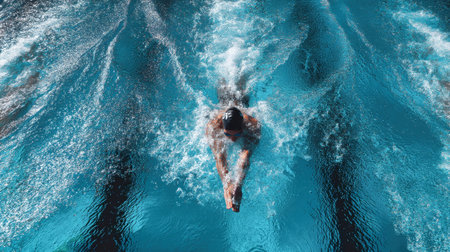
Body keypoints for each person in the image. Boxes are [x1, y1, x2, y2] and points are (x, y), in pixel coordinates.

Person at [206, 106, 260, 212]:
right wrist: (227, 184)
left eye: (238, 134)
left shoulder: (253, 126)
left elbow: (246, 155)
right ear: (223, 128)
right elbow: (219, 157)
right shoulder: (213, 126)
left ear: (242, 129)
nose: (232, 139)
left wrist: (238, 185)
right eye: (227, 134)